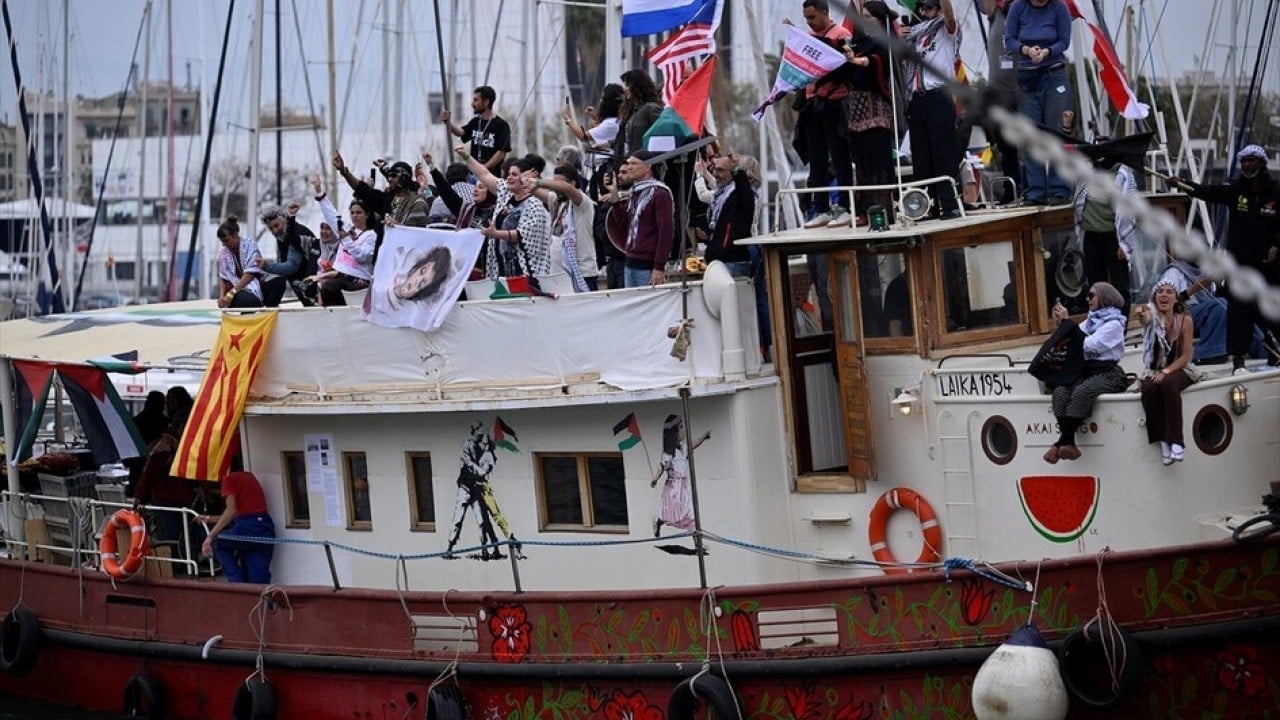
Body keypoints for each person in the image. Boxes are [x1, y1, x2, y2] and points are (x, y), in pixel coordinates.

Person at [1172, 144, 1280, 372]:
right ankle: (1238, 360)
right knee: (1239, 313)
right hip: (1239, 266)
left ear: (1262, 163)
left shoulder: (1275, 191)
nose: (1247, 165)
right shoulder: (1235, 188)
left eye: (1252, 161)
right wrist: (1182, 184)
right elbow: (1208, 191)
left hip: (1268, 266)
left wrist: (1275, 246)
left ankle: (1275, 356)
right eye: (1244, 161)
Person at [1044, 282, 1129, 463]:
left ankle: (1061, 443)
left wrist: (1068, 324)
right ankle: (1068, 443)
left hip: (1108, 372)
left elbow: (1090, 345)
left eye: (1091, 296)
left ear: (1104, 298)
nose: (1087, 299)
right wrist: (1061, 325)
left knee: (1083, 392)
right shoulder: (1089, 322)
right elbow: (1070, 340)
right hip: (1084, 371)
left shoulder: (1114, 324)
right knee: (1060, 392)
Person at [789, 0, 854, 229]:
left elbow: (847, 67)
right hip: (811, 104)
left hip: (835, 103)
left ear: (824, 13)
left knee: (839, 157)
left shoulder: (841, 34)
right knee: (816, 159)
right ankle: (821, 208)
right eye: (806, 18)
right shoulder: (807, 37)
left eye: (812, 17)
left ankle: (845, 206)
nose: (809, 22)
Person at [1004, 0, 1074, 205]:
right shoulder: (1018, 7)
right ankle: (1035, 192)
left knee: (1056, 132)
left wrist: (1046, 52)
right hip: (1026, 78)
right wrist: (1026, 50)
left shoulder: (1059, 7)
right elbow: (1009, 39)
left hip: (1053, 74)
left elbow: (1064, 41)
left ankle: (1060, 190)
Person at [902, 0, 963, 220]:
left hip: (939, 94)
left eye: (928, 7)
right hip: (917, 97)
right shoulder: (915, 36)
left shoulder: (945, 29)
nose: (923, 12)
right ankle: (927, 205)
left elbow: (950, 15)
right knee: (921, 156)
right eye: (921, 8)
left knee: (942, 152)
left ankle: (949, 204)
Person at [1073, 139, 1145, 319]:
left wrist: (1124, 245)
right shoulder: (1087, 172)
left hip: (1114, 239)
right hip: (1091, 237)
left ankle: (1121, 324)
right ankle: (1099, 324)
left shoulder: (1123, 175)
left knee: (1120, 287)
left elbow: (1130, 212)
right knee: (1096, 287)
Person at [840, 1, 897, 226]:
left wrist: (857, 60)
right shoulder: (859, 42)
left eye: (868, 17)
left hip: (876, 108)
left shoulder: (885, 42)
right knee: (862, 163)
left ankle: (883, 210)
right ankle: (864, 210)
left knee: (878, 162)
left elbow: (874, 61)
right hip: (856, 108)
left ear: (880, 20)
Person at [458, 148, 553, 281]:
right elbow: (484, 175)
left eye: (514, 174)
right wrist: (466, 156)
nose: (509, 177)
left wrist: (496, 234)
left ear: (526, 179)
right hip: (501, 270)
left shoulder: (535, 204)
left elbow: (522, 235)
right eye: (508, 174)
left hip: (526, 272)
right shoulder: (506, 194)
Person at [1136, 280, 1196, 465]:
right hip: (1155, 370)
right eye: (1160, 291)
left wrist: (1166, 371)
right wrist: (1141, 313)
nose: (1164, 295)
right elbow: (1145, 318)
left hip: (1181, 368)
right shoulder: (1153, 319)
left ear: (1176, 298)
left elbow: (1185, 357)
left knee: (1169, 384)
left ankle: (1176, 441)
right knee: (1148, 388)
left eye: (1169, 292)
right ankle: (1162, 441)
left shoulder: (1185, 321)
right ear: (1154, 297)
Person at [605, 150, 675, 288]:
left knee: (648, 301)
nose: (629, 167)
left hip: (647, 265)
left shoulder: (659, 194)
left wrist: (659, 267)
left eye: (634, 164)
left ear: (648, 166)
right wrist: (614, 193)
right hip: (630, 260)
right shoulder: (635, 192)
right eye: (628, 163)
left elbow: (665, 232)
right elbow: (622, 222)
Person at [200, 471, 275, 584]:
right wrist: (210, 518)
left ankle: (237, 583)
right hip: (265, 526)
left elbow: (231, 510)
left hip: (247, 528)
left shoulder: (228, 479)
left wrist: (209, 537)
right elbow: (240, 514)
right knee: (258, 582)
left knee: (219, 542)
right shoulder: (249, 476)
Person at [313, 176, 378, 306]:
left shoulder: (371, 236)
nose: (355, 216)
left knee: (330, 286)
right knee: (317, 286)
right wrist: (320, 193)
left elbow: (363, 256)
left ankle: (341, 312)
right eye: (352, 213)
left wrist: (346, 240)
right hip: (340, 276)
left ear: (367, 214)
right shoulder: (347, 229)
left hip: (358, 280)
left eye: (359, 213)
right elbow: (332, 216)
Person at [1154, 252, 1229, 363]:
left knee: (1233, 306)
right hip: (1180, 316)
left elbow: (1212, 298)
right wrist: (1195, 288)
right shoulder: (1174, 272)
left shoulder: (1205, 271)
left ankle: (1254, 348)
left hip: (1204, 316)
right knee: (1219, 305)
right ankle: (1207, 353)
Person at [534, 166, 599, 292]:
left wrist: (538, 182)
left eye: (558, 183)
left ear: (572, 183)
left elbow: (567, 188)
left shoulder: (582, 202)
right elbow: (534, 191)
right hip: (559, 273)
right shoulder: (558, 201)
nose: (555, 187)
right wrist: (525, 181)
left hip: (582, 272)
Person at [982, 0, 1021, 200]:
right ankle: (1011, 190)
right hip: (998, 91)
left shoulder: (1026, 11)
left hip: (1023, 89)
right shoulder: (996, 12)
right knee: (1006, 146)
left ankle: (1034, 188)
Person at [651, 415, 710, 537]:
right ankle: (659, 521)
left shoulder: (683, 448)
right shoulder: (668, 453)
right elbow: (661, 467)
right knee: (671, 515)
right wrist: (655, 478)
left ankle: (696, 539)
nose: (684, 430)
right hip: (673, 488)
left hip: (683, 486)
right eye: (681, 427)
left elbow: (693, 443)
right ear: (674, 432)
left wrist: (704, 437)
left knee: (689, 514)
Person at [704, 153, 757, 277]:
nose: (715, 174)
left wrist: (737, 169)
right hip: (718, 261)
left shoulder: (740, 195)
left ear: (731, 173)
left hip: (733, 261)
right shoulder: (719, 197)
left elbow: (745, 195)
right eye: (715, 169)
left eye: (720, 170)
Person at [439, 85, 512, 172]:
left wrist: (484, 168)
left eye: (476, 100)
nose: (472, 104)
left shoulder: (501, 125)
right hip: (474, 173)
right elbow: (460, 133)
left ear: (486, 102)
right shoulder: (476, 121)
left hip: (491, 174)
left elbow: (501, 152)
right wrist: (447, 123)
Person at [255, 204, 314, 306]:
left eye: (276, 225)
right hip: (303, 286)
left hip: (313, 286)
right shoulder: (282, 237)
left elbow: (291, 266)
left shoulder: (296, 234)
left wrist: (266, 266)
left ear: (285, 220)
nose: (274, 231)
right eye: (271, 228)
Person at [563, 83, 624, 170]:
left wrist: (568, 119)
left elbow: (583, 136)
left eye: (603, 99)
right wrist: (594, 117)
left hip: (606, 165)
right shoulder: (615, 121)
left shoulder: (611, 123)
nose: (600, 101)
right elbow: (602, 131)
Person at [215, 216, 265, 308]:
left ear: (235, 235)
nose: (224, 244)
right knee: (249, 301)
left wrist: (231, 293)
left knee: (279, 282)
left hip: (247, 289)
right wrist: (222, 297)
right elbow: (223, 278)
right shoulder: (222, 253)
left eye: (226, 240)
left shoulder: (250, 245)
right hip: (233, 293)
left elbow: (251, 273)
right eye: (222, 242)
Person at [616, 70, 664, 164]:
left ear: (637, 87)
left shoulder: (651, 108)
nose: (625, 89)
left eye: (627, 85)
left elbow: (661, 138)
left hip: (645, 165)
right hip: (631, 164)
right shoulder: (632, 111)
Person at [386, 245, 454, 310]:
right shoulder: (390, 273)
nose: (417, 281)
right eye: (422, 271)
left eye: (421, 284)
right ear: (415, 269)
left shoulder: (406, 311)